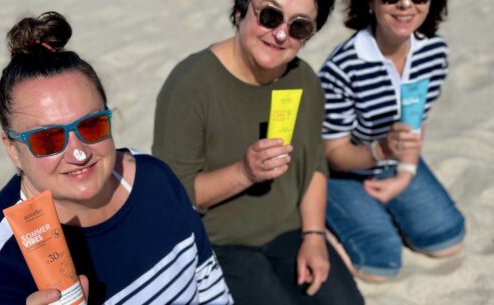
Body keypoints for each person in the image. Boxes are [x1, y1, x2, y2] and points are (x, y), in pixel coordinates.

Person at [0, 12, 232, 305]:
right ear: (12, 149)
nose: (79, 153)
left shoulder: (155, 179)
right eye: (48, 140)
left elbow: (209, 285)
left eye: (91, 125)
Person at [153, 1, 364, 304]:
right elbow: (173, 196)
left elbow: (314, 163)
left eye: (299, 26)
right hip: (220, 243)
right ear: (240, 10)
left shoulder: (303, 79)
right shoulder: (190, 84)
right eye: (270, 15)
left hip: (289, 230)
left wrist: (315, 236)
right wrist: (244, 173)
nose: (280, 34)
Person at [318, 0, 465, 282]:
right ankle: (316, 223)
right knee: (378, 265)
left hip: (392, 158)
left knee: (447, 240)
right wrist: (382, 150)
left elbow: (415, 122)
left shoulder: (434, 51)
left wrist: (405, 174)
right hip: (338, 170)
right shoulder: (343, 68)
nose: (405, 4)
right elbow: (333, 153)